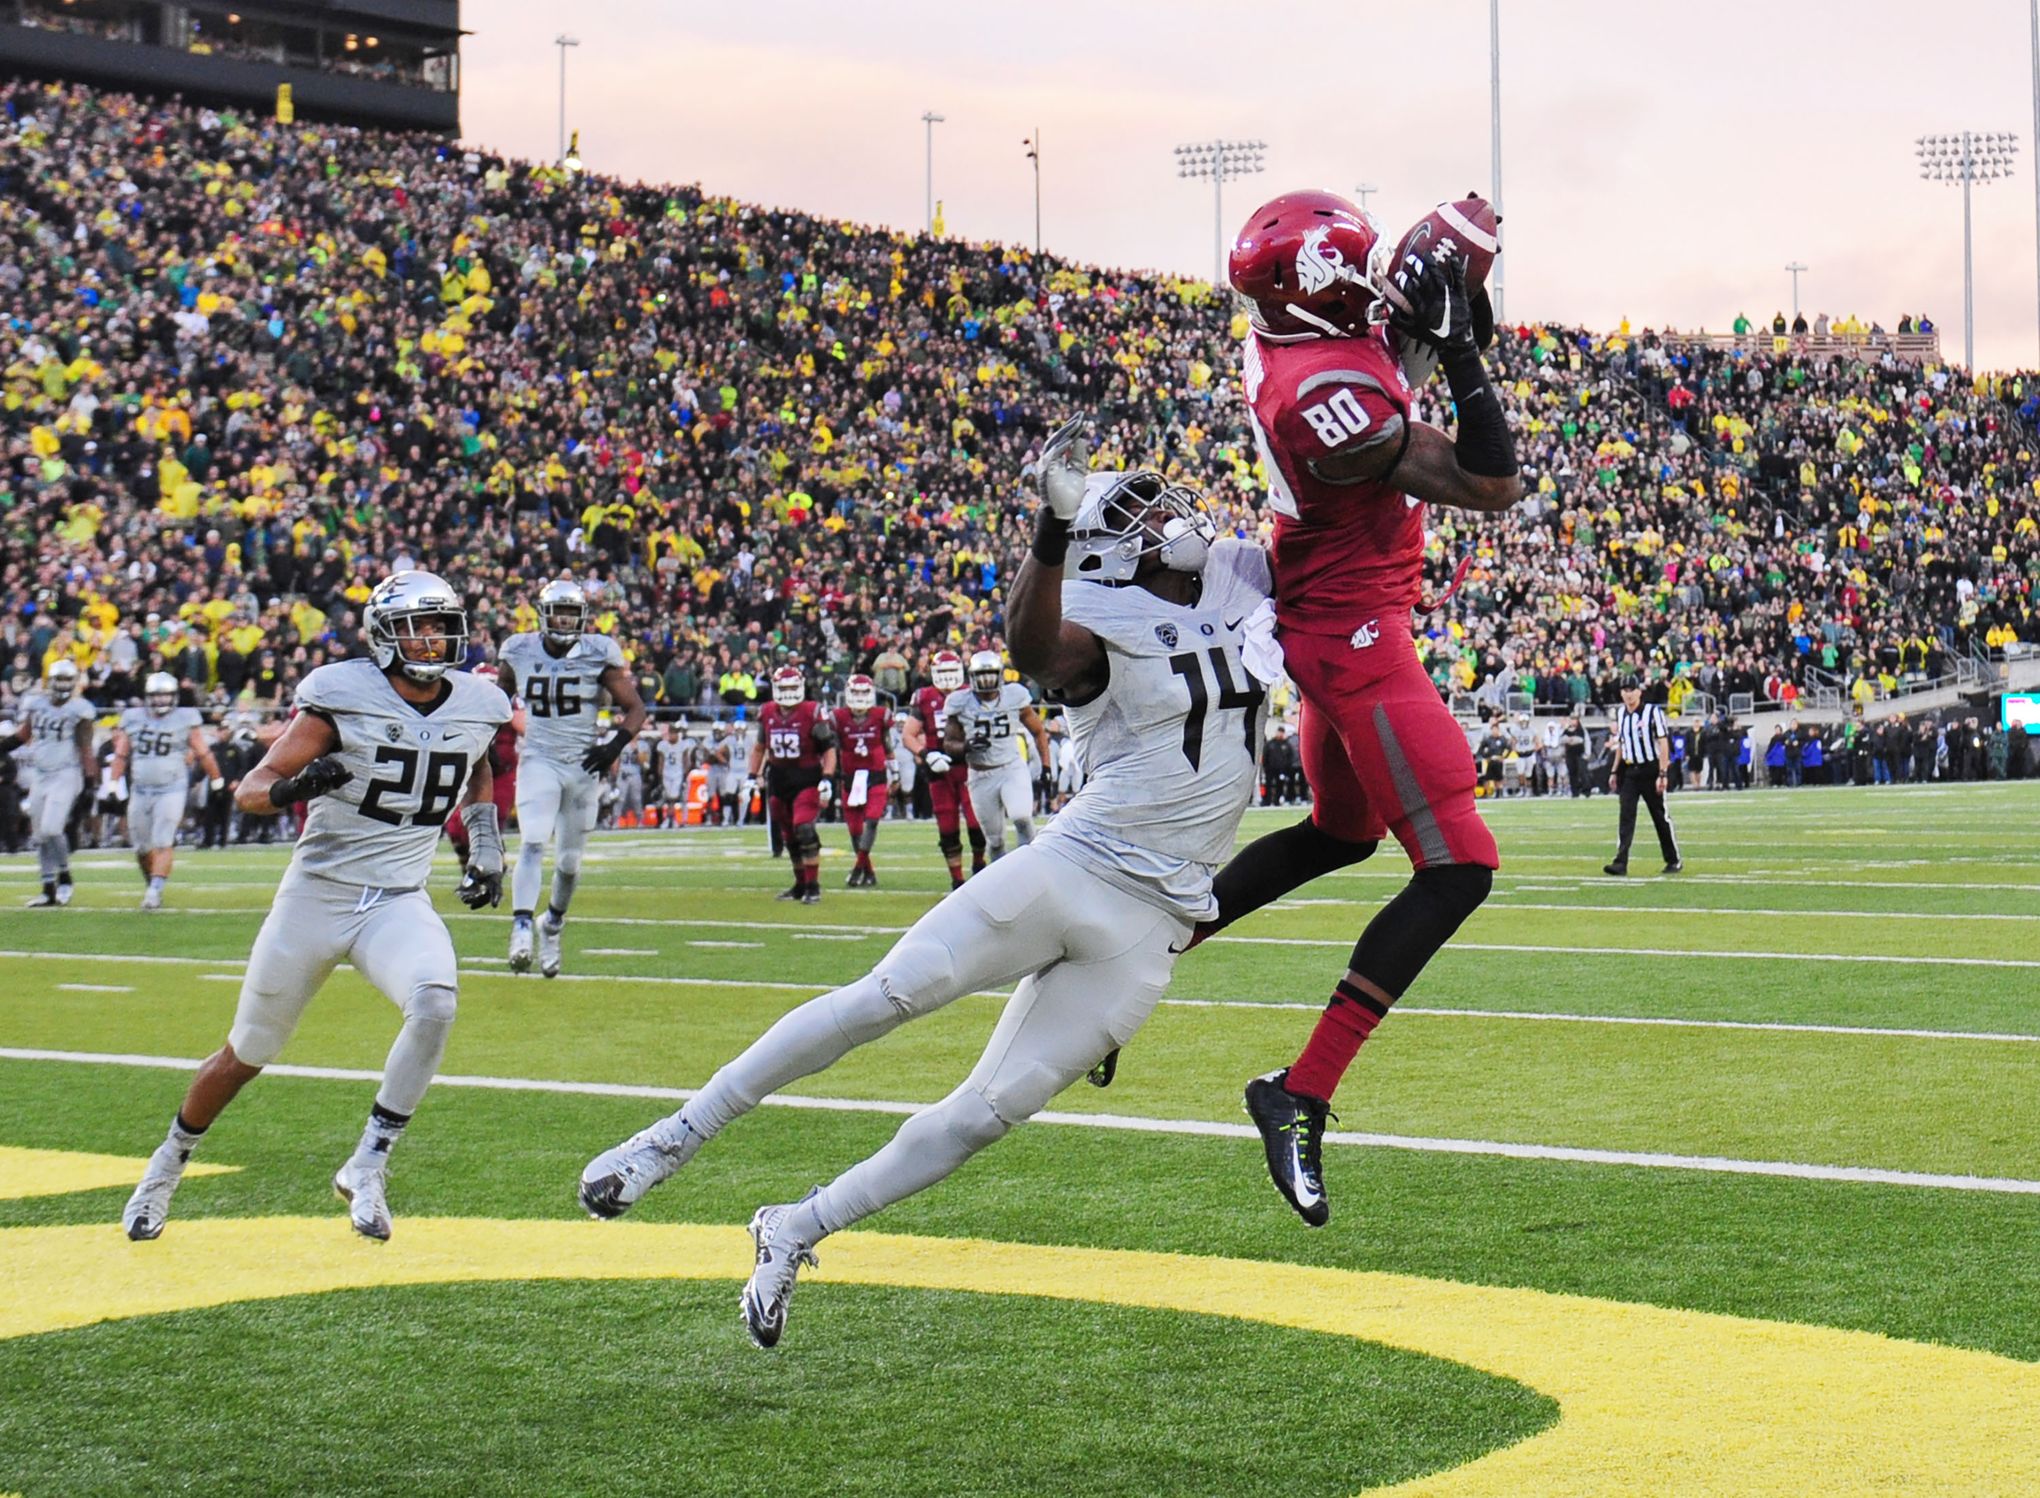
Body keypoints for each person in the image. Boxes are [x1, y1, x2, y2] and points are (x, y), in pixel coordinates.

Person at [577, 428, 1273, 1349]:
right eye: (1138, 513)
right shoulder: (1088, 618)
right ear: (1097, 546)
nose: (1167, 517)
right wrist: (1048, 532)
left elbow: (1335, 532)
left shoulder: (1236, 577)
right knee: (885, 997)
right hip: (1074, 868)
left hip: (1155, 924)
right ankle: (672, 1138)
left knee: (986, 1116)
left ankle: (794, 1228)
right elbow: (1033, 652)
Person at [1196, 188, 1521, 1227]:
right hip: (1353, 633)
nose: (1372, 269)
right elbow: (1489, 479)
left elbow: (1392, 336)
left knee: (1340, 835)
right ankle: (1301, 1090)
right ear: (1322, 289)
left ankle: (1144, 951)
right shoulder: (1319, 396)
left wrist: (1441, 298)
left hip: (1337, 608)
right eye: (1356, 262)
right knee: (1461, 864)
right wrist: (1462, 353)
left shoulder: (1304, 345)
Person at [120, 571, 511, 1243]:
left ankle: (368, 1163)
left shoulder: (479, 700)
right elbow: (250, 789)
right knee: (247, 1051)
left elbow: (477, 766)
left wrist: (484, 842)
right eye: (418, 626)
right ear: (385, 635)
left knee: (436, 1001)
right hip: (317, 897)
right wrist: (297, 787)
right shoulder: (341, 694)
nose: (432, 638)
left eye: (441, 624)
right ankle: (165, 1165)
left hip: (397, 898)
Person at [497, 578, 648, 977]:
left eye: (571, 613)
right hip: (540, 758)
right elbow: (498, 698)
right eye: (558, 613)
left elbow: (635, 708)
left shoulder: (598, 653)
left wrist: (614, 745)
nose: (564, 621)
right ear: (544, 615)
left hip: (583, 765)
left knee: (568, 863)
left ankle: (553, 924)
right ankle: (522, 925)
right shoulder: (519, 650)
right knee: (531, 841)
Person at [107, 671, 224, 909]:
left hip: (172, 787)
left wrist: (216, 778)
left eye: (165, 696)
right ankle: (152, 882)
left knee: (163, 839)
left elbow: (202, 751)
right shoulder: (133, 717)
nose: (161, 701)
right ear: (148, 697)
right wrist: (113, 782)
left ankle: (155, 891)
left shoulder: (185, 718)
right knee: (141, 847)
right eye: (156, 696)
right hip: (140, 789)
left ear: (174, 697)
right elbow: (121, 752)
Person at [943, 650, 1049, 862]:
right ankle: (1003, 883)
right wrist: (966, 746)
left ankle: (1030, 868)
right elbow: (948, 743)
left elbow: (1038, 731)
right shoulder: (960, 701)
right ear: (972, 676)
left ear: (1000, 674)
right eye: (982, 676)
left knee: (1022, 817)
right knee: (995, 841)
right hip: (981, 775)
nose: (987, 681)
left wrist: (1046, 767)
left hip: (1011, 768)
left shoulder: (1015, 695)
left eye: (991, 675)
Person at [8, 659, 97, 907]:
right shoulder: (37, 705)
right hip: (41, 774)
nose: (63, 685)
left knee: (52, 829)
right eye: (59, 679)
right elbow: (22, 736)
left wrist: (90, 784)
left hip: (66, 773)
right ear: (50, 680)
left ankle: (65, 877)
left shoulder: (80, 709)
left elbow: (86, 749)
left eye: (68, 680)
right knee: (39, 835)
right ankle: (48, 888)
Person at [901, 651, 986, 887]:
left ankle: (979, 865)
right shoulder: (925, 697)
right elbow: (908, 735)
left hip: (970, 766)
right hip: (939, 770)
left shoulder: (973, 692)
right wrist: (927, 754)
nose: (948, 678)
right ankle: (957, 881)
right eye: (943, 672)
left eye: (952, 672)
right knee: (947, 828)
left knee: (976, 823)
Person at [753, 666, 837, 903]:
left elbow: (829, 748)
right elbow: (760, 747)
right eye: (784, 687)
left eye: (793, 687)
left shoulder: (811, 712)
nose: (789, 692)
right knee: (788, 834)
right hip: (778, 778)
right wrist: (752, 775)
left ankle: (813, 885)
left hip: (806, 777)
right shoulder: (768, 711)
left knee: (804, 828)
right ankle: (800, 884)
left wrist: (828, 778)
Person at [1604, 676, 1681, 875]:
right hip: (1630, 771)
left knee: (1660, 816)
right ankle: (1620, 862)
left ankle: (1673, 859)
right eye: (1625, 690)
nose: (1628, 694)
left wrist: (1662, 773)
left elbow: (1663, 743)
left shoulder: (1652, 712)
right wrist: (1614, 770)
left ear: (1639, 692)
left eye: (1632, 690)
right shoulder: (1621, 714)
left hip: (1650, 769)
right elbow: (1621, 744)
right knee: (1626, 815)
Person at [830, 673, 892, 887]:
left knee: (872, 820)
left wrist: (894, 767)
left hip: (875, 776)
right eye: (855, 692)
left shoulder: (880, 716)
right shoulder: (838, 718)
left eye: (863, 692)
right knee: (855, 830)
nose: (859, 697)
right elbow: (832, 748)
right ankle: (869, 871)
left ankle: (858, 868)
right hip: (850, 778)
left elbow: (887, 743)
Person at [1562, 714, 1589, 796]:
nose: (1573, 721)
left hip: (1580, 754)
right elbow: (1562, 740)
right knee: (1572, 773)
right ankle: (1575, 792)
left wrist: (1571, 740)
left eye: (1574, 719)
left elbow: (1581, 740)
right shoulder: (1566, 730)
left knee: (1582, 773)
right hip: (1570, 755)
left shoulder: (1581, 730)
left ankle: (1586, 790)